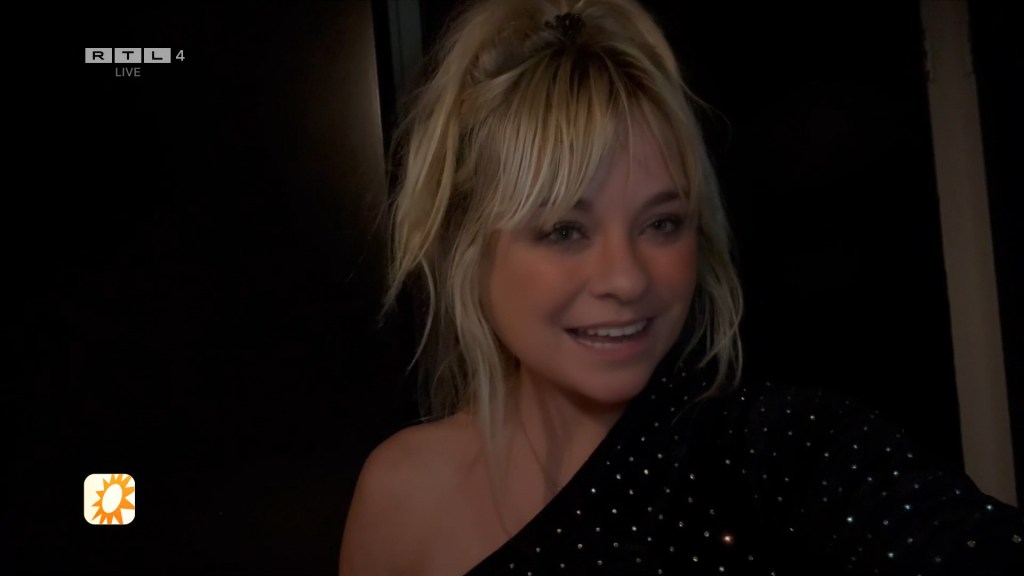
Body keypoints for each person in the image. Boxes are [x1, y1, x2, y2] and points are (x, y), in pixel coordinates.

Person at [339, 0, 1024, 574]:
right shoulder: (400, 495)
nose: (627, 278)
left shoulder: (774, 450)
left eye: (662, 223)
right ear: (469, 246)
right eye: (565, 230)